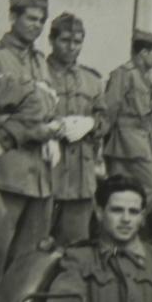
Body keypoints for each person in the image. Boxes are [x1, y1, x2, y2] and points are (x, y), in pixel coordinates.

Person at [0, 0, 65, 302]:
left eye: (41, 20)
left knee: (27, 264)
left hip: (38, 177)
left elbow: (48, 106)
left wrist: (54, 130)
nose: (37, 26)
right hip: (6, 172)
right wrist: (39, 129)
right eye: (31, 18)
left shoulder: (40, 61)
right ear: (13, 17)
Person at [45, 13, 108, 245]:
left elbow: (105, 119)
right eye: (65, 40)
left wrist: (90, 124)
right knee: (34, 250)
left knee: (75, 246)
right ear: (51, 40)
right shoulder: (40, 72)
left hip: (81, 177)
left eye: (77, 42)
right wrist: (51, 128)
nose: (71, 47)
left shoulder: (91, 80)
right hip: (47, 171)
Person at [104, 29, 152, 219]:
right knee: (150, 187)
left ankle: (128, 228)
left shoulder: (144, 76)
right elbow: (109, 109)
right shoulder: (123, 74)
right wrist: (102, 143)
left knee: (123, 190)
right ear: (143, 53)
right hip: (124, 142)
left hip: (138, 142)